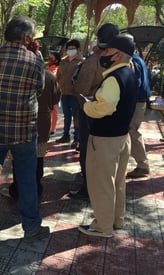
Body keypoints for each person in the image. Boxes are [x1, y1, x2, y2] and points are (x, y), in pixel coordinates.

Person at [0, 16, 49, 242]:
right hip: (23, 133)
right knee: (27, 179)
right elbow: (39, 88)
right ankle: (31, 226)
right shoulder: (33, 60)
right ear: (26, 37)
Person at [78, 35, 137, 237]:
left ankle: (103, 226)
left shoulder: (114, 78)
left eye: (105, 50)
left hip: (105, 140)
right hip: (121, 137)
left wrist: (87, 106)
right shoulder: (128, 73)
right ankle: (116, 220)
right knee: (118, 182)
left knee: (101, 183)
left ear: (117, 54)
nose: (102, 54)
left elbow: (104, 107)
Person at [69, 23, 119, 200]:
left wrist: (86, 107)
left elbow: (81, 89)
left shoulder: (93, 61)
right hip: (116, 117)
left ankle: (89, 189)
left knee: (89, 152)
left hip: (92, 115)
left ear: (99, 39)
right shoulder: (125, 60)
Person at [124, 34, 151, 179]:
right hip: (140, 100)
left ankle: (142, 165)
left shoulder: (133, 60)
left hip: (136, 101)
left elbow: (136, 83)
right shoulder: (138, 58)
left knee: (132, 131)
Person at [56, 39, 83, 149]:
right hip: (64, 92)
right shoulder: (63, 61)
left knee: (76, 116)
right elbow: (58, 76)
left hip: (75, 94)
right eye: (69, 48)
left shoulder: (81, 62)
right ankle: (65, 135)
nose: (70, 50)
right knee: (66, 115)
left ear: (77, 49)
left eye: (73, 48)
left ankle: (77, 138)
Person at [46, 51, 61, 135]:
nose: (49, 59)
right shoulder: (46, 67)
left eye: (51, 58)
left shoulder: (57, 69)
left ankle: (52, 128)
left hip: (54, 92)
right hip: (45, 92)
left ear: (56, 60)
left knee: (54, 110)